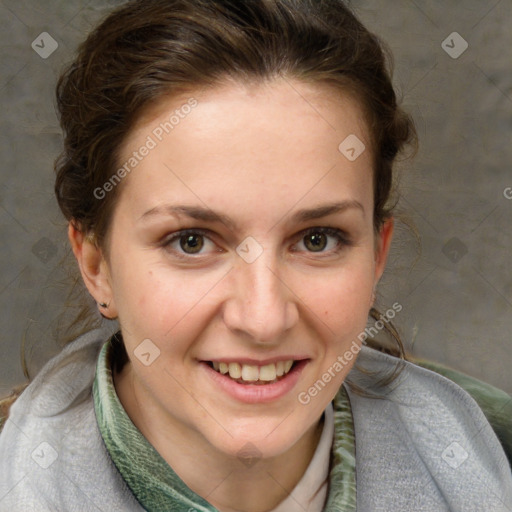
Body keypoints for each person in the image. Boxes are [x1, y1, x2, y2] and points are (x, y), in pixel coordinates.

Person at [0, 0, 511, 510]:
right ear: (97, 265)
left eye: (317, 239)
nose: (263, 320)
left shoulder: (494, 462)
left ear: (377, 255)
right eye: (192, 241)